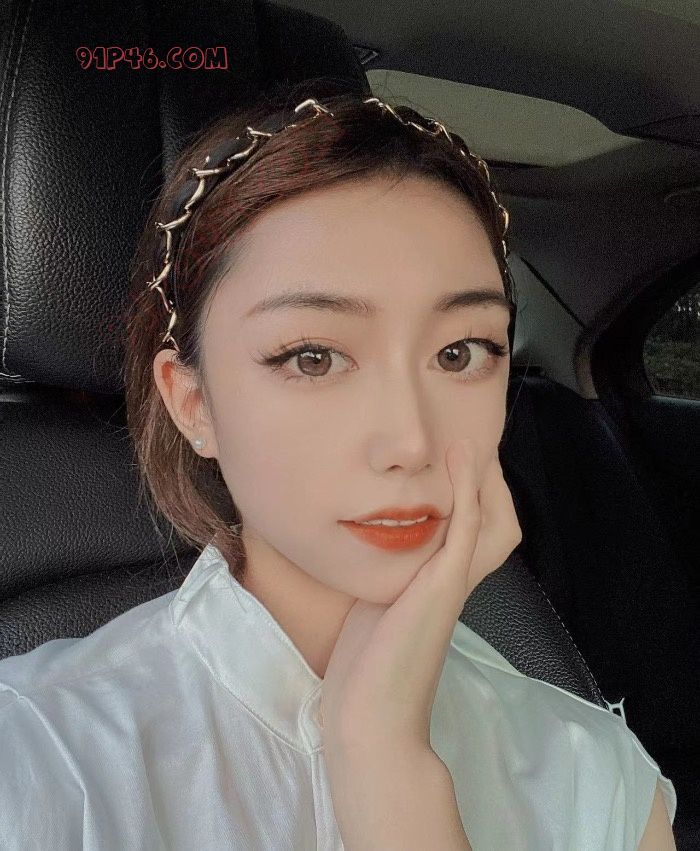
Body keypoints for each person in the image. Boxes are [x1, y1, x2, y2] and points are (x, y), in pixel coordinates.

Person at [0, 80, 677, 849]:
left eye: (460, 353)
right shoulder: (34, 762)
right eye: (313, 357)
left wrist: (385, 759)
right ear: (193, 403)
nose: (410, 441)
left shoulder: (593, 771)